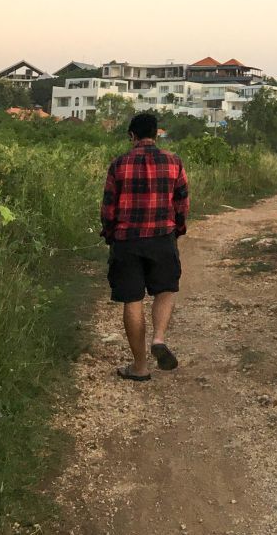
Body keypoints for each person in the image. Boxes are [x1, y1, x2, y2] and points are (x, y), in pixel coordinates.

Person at [100, 113, 189, 381]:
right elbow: (181, 202)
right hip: (162, 236)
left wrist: (109, 234)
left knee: (133, 299)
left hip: (127, 240)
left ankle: (139, 367)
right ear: (157, 133)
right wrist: (178, 230)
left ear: (131, 136)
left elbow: (108, 207)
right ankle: (158, 338)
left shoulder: (118, 165)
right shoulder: (174, 162)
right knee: (165, 290)